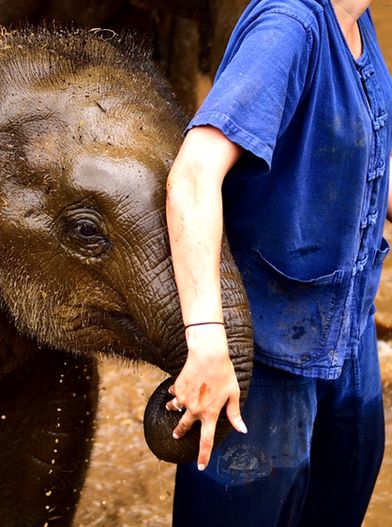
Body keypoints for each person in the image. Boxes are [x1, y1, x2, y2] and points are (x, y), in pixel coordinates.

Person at [164, 0, 392, 525]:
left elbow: (366, 157)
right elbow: (193, 174)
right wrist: (205, 339)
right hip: (269, 351)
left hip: (345, 332)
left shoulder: (356, 19)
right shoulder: (290, 27)